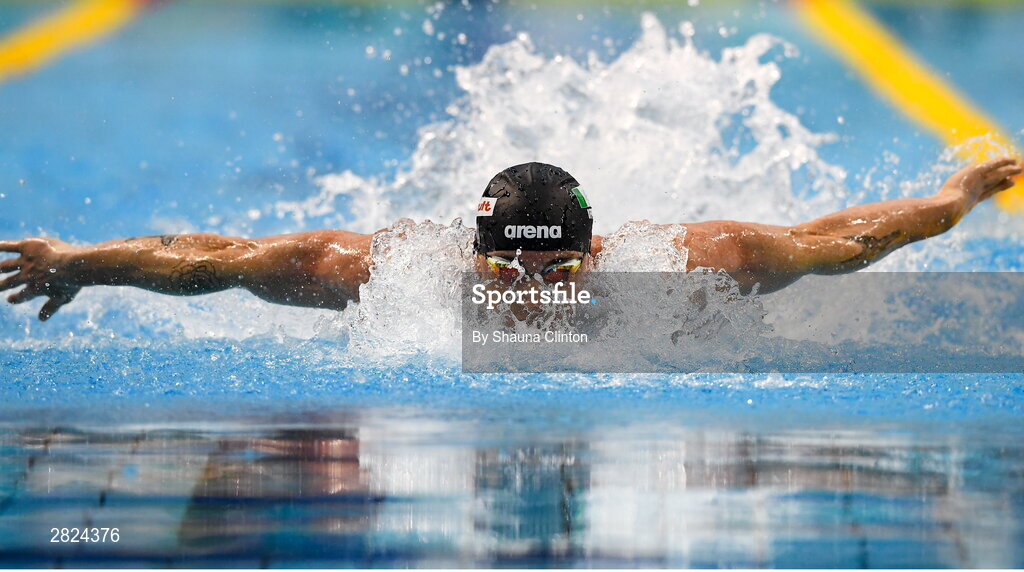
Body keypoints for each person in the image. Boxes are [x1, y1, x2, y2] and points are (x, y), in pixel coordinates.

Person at [0, 158, 1020, 322]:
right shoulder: (389, 277)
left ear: (598, 246)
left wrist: (958, 192)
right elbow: (215, 258)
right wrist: (79, 262)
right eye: (507, 265)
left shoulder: (695, 266)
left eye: (557, 266)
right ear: (468, 249)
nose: (530, 289)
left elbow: (849, 236)